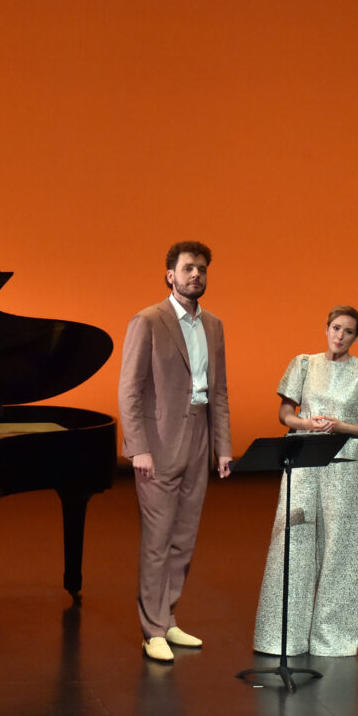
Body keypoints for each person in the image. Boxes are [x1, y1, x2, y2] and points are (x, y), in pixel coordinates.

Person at [252, 305, 358, 657]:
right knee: (293, 539)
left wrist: (342, 426)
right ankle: (282, 636)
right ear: (326, 328)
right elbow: (285, 412)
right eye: (336, 328)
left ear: (356, 336)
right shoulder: (303, 364)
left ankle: (332, 638)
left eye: (348, 331)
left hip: (343, 464)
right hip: (302, 460)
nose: (340, 336)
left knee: (339, 546)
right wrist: (306, 424)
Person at [117, 241, 232, 663]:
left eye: (202, 268)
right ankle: (152, 630)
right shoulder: (148, 321)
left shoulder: (213, 325)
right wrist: (138, 448)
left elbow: (219, 391)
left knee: (184, 536)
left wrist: (222, 447)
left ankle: (167, 618)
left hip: (199, 434)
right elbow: (129, 390)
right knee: (158, 539)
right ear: (171, 275)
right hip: (159, 442)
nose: (196, 274)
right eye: (188, 268)